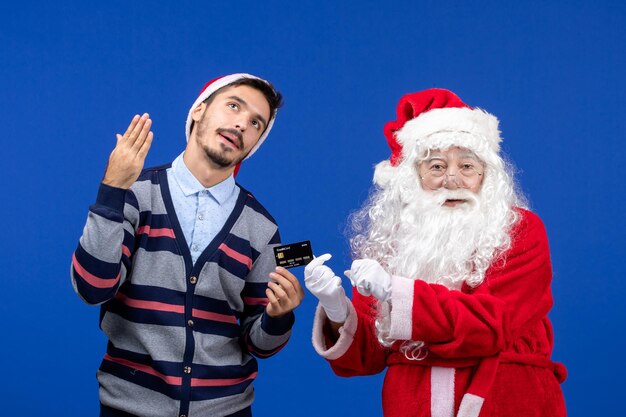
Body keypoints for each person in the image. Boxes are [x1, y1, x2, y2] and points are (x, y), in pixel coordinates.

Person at [305, 88, 567, 416]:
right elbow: (368, 358)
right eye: (437, 166)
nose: (452, 179)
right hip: (413, 402)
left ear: (486, 175)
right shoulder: (393, 241)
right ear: (414, 177)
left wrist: (395, 292)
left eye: (467, 166)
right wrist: (336, 311)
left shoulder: (520, 230)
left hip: (508, 399)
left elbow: (491, 326)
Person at [71, 73, 304, 417]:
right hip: (128, 408)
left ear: (256, 141)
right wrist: (112, 191)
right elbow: (92, 288)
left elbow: (259, 344)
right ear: (198, 110)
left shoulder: (262, 228)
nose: (242, 123)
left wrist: (278, 316)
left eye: (256, 122)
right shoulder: (136, 193)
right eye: (233, 106)